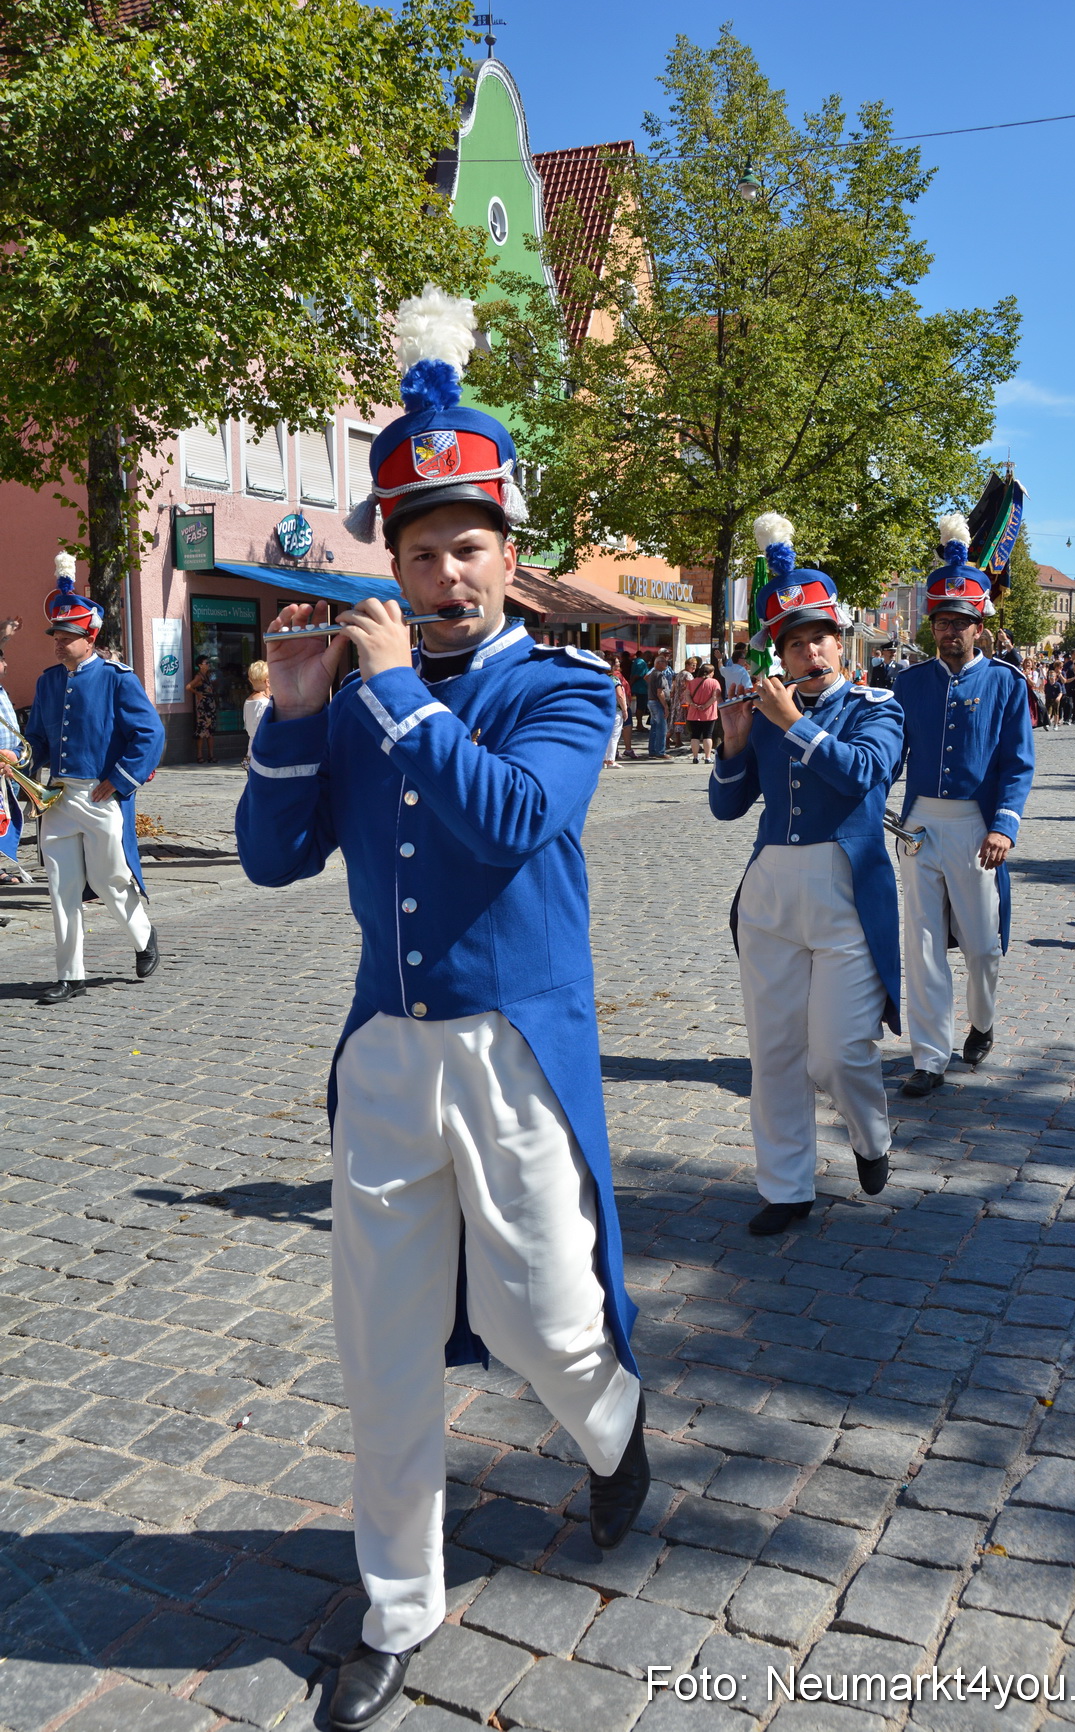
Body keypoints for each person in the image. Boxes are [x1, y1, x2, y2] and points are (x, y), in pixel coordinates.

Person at [237, 287, 647, 1732]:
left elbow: (513, 820)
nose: (445, 572)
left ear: (507, 552)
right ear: (393, 562)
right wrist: (293, 711)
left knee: (543, 1318)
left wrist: (395, 696)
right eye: (418, 552)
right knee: (383, 1341)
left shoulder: (567, 687)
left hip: (514, 1048)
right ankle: (396, 1602)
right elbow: (273, 858)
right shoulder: (352, 692)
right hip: (384, 1056)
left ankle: (611, 1431)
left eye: (467, 546)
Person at [710, 512, 902, 1235]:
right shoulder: (763, 713)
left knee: (839, 1051)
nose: (811, 650)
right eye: (795, 643)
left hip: (845, 893)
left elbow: (861, 775)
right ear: (780, 655)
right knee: (775, 1051)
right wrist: (731, 748)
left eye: (820, 636)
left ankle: (870, 1132)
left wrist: (794, 724)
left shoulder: (873, 709)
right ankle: (784, 1186)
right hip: (769, 894)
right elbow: (729, 808)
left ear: (841, 641)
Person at [892, 514, 1035, 1095]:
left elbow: (1017, 764)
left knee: (982, 946)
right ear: (932, 627)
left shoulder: (1006, 683)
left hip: (977, 827)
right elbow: (889, 753)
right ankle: (929, 1055)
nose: (951, 631)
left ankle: (983, 1020)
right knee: (921, 943)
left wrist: (1004, 825)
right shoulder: (907, 684)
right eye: (943, 622)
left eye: (962, 623)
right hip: (920, 825)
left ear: (980, 627)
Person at [15, 554, 164, 1005]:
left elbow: (150, 734)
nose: (58, 643)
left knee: (110, 880)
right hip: (57, 798)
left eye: (67, 636)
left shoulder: (118, 679)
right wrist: (20, 756)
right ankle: (70, 973)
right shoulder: (46, 682)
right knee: (59, 888)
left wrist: (120, 780)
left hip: (100, 796)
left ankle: (143, 936)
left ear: (90, 637)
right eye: (57, 636)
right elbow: (39, 739)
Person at [0, 638, 32, 885]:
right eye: (2, 660)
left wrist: (17, 753)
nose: (6, 664)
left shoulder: (2, 691)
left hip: (8, 768)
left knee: (4, 818)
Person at [684, 661, 721, 764]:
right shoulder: (714, 682)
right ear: (710, 672)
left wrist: (693, 704)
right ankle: (707, 757)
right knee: (707, 735)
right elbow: (715, 697)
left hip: (693, 712)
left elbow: (687, 695)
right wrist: (705, 706)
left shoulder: (692, 682)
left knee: (695, 735)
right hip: (709, 713)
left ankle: (695, 757)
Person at [186, 654, 218, 763]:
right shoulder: (199, 677)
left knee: (210, 731)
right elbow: (188, 686)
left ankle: (211, 755)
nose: (208, 665)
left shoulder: (207, 675)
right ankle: (199, 755)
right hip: (203, 707)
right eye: (206, 663)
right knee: (202, 731)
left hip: (210, 706)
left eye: (209, 663)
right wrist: (197, 693)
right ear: (200, 665)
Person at [242, 659, 272, 769]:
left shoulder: (248, 701)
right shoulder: (265, 704)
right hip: (264, 753)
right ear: (267, 682)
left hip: (251, 752)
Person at [603, 653, 629, 767]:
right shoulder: (614, 679)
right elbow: (620, 696)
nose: (619, 664)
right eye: (617, 662)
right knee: (614, 735)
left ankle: (604, 759)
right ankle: (610, 760)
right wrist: (625, 709)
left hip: (603, 710)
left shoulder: (601, 678)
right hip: (615, 710)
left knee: (605, 735)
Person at [645, 648, 672, 758]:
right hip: (657, 702)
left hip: (652, 702)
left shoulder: (653, 674)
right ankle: (660, 751)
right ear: (657, 663)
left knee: (655, 727)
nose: (666, 663)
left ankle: (652, 750)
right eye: (664, 662)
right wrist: (665, 706)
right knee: (661, 727)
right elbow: (660, 692)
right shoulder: (658, 674)